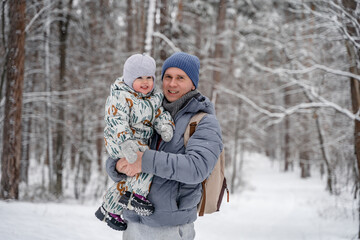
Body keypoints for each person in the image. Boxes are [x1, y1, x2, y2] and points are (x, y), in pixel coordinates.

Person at [106, 52, 223, 239]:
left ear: (193, 83)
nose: (172, 83)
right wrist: (117, 166)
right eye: (167, 77)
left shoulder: (203, 122)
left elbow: (196, 168)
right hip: (131, 223)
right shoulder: (147, 110)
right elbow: (120, 152)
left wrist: (144, 160)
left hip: (169, 228)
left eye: (180, 78)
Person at [95, 53, 175, 231]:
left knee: (131, 174)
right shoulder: (120, 96)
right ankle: (136, 196)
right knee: (145, 160)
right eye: (140, 77)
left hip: (138, 142)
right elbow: (116, 119)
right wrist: (125, 141)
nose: (145, 82)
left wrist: (165, 126)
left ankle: (109, 209)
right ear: (130, 78)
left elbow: (160, 114)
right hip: (120, 140)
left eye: (149, 77)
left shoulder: (154, 98)